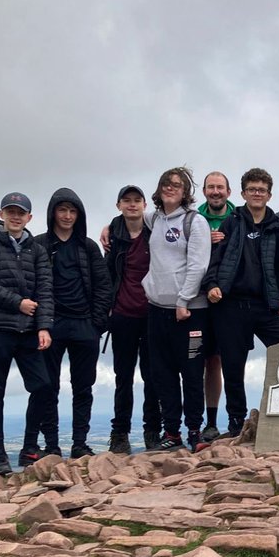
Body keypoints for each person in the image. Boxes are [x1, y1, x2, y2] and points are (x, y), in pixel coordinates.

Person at [0, 193, 56, 477]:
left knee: (43, 387)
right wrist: (17, 303)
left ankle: (29, 447)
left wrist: (44, 326)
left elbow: (45, 290)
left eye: (21, 213)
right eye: (11, 212)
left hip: (28, 330)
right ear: (1, 214)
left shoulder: (37, 250)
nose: (16, 217)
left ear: (29, 217)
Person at [205, 167, 279, 438]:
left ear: (269, 195)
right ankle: (236, 423)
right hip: (231, 305)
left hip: (266, 306)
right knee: (233, 367)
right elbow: (214, 260)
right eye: (252, 189)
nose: (257, 194)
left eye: (262, 190)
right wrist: (211, 285)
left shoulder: (277, 227)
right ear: (243, 193)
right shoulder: (230, 223)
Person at [27, 188, 111, 461]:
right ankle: (51, 445)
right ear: (53, 212)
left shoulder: (88, 247)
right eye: (62, 210)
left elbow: (103, 286)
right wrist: (40, 323)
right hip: (50, 325)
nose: (67, 216)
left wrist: (96, 324)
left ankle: (80, 444)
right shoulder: (38, 245)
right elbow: (30, 284)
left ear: (79, 215)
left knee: (83, 387)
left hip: (84, 325)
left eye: (73, 211)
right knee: (48, 386)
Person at [143, 166, 212, 451]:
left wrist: (184, 300)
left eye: (177, 185)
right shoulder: (154, 219)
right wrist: (109, 226)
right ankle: (171, 432)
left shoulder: (195, 222)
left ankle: (195, 431)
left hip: (189, 311)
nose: (170, 188)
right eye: (166, 184)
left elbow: (198, 265)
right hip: (157, 309)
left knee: (192, 373)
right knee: (163, 374)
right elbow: (131, 217)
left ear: (185, 192)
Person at [105, 185, 161, 454]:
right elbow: (107, 276)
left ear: (144, 205)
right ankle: (120, 434)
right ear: (119, 206)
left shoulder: (155, 232)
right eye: (126, 201)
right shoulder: (114, 237)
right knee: (123, 377)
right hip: (123, 315)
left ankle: (153, 432)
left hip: (152, 313)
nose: (132, 205)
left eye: (137, 200)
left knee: (153, 376)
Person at [199, 172, 235, 443]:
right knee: (199, 362)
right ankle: (203, 423)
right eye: (211, 187)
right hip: (198, 299)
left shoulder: (239, 218)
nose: (215, 192)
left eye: (220, 187)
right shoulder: (193, 219)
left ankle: (229, 419)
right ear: (204, 191)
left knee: (223, 360)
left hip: (231, 301)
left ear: (228, 191)